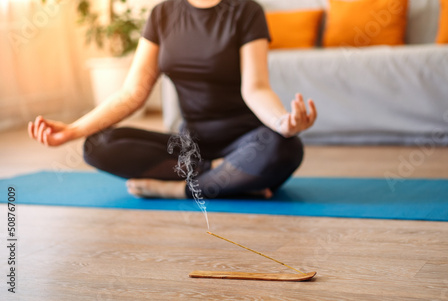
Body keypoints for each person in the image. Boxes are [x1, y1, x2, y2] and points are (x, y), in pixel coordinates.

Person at [28, 0, 317, 199]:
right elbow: (133, 94)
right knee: (97, 144)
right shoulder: (162, 14)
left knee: (285, 147)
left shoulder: (246, 10)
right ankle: (226, 179)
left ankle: (178, 190)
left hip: (246, 143)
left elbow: (255, 88)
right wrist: (72, 130)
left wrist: (283, 122)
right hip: (192, 148)